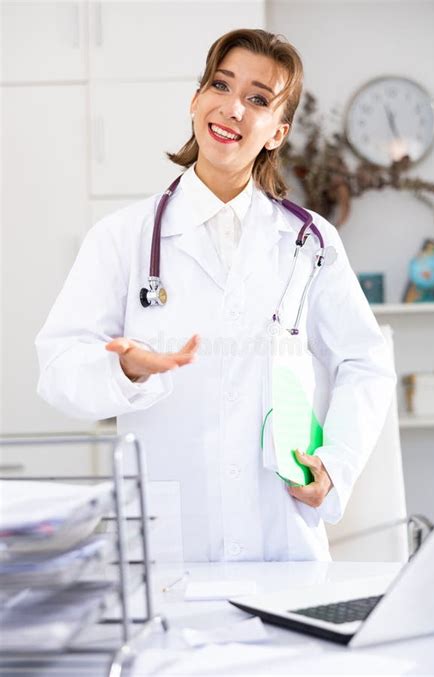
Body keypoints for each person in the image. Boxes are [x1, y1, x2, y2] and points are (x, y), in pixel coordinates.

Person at [35, 28, 396, 562]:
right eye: (220, 86)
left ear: (277, 132)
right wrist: (127, 370)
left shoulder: (309, 242)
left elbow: (365, 362)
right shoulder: (122, 237)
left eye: (257, 99)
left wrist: (334, 468)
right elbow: (58, 369)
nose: (232, 109)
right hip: (169, 547)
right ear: (196, 99)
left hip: (282, 537)